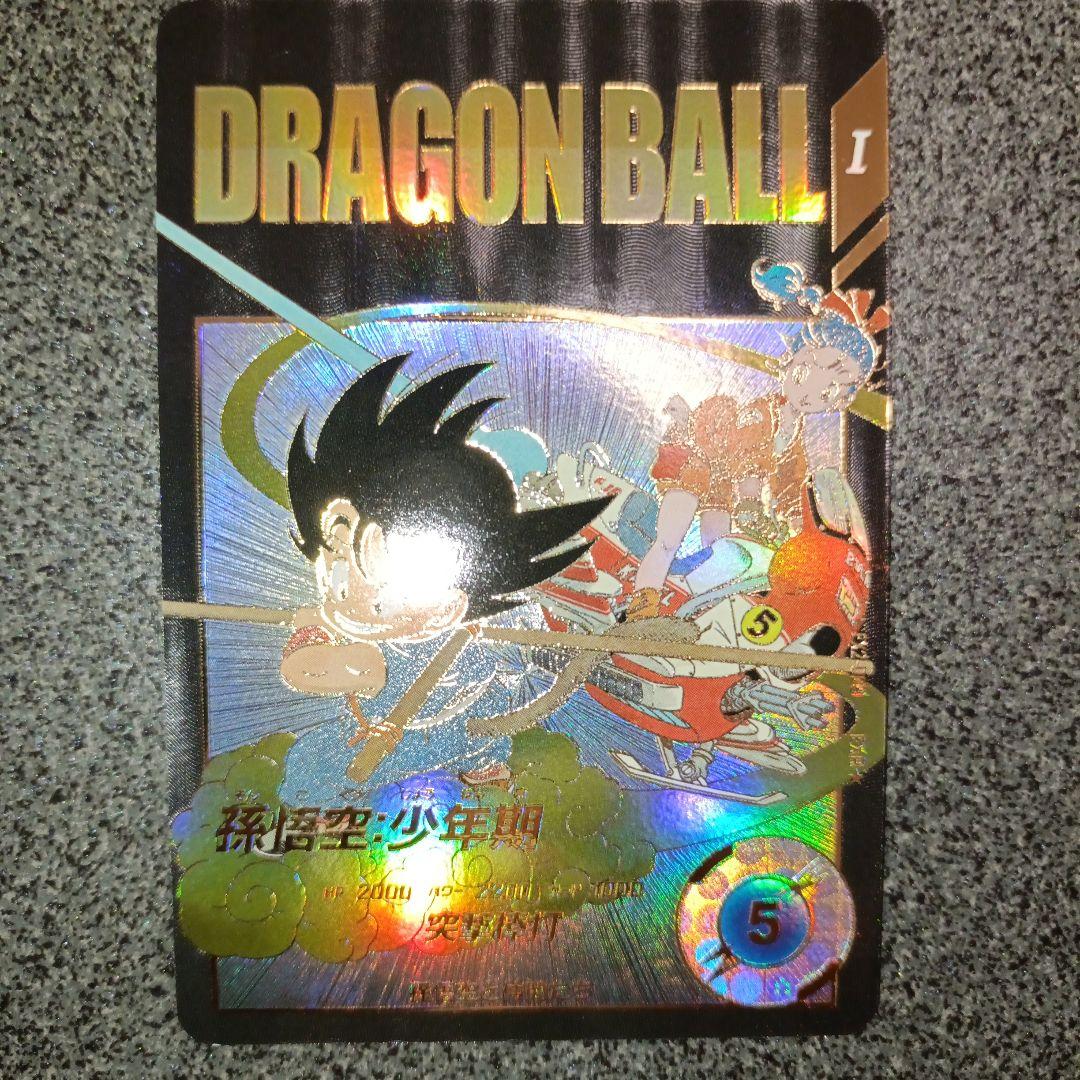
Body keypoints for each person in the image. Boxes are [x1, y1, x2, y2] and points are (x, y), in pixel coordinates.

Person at [276, 355, 611, 805]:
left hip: (424, 741)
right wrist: (318, 626)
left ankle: (471, 769)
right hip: (452, 733)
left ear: (450, 606)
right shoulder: (430, 637)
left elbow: (302, 670)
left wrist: (309, 634)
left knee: (307, 769)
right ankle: (483, 766)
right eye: (333, 575)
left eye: (374, 599)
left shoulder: (374, 658)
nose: (339, 596)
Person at [625, 258, 889, 622]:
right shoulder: (763, 413)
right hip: (695, 464)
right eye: (815, 371)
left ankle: (695, 617)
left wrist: (798, 528)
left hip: (722, 489)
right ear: (797, 358)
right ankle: (641, 609)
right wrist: (750, 502)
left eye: (833, 390)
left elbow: (790, 488)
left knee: (721, 554)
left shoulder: (794, 437)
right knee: (670, 538)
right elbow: (747, 457)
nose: (817, 392)